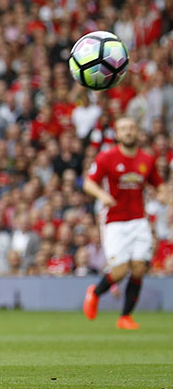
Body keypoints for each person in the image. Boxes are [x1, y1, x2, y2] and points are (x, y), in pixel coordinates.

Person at [82, 117, 162, 329]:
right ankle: (95, 292)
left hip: (138, 221)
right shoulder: (106, 157)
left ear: (137, 132)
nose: (128, 132)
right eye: (123, 129)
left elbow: (158, 185)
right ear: (116, 134)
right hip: (115, 221)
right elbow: (89, 183)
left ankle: (124, 317)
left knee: (138, 269)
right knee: (119, 271)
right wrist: (102, 195)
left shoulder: (147, 159)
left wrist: (165, 196)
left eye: (131, 128)